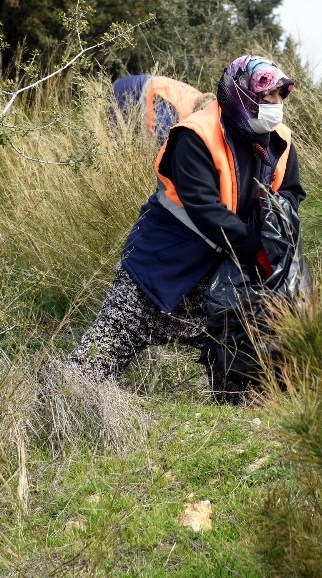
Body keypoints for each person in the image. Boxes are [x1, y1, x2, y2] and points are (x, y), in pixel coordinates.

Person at [70, 56, 305, 394]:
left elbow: (292, 193)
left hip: (225, 278)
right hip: (160, 269)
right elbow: (206, 210)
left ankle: (235, 416)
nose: (275, 107)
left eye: (280, 99)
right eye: (267, 98)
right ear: (239, 95)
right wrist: (258, 250)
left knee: (246, 357)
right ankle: (49, 416)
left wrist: (276, 227)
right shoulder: (195, 135)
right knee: (92, 363)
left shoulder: (280, 141)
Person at [110, 74, 212, 147]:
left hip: (137, 82)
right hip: (125, 90)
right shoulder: (177, 113)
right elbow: (157, 139)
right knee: (118, 140)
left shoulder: (201, 98)